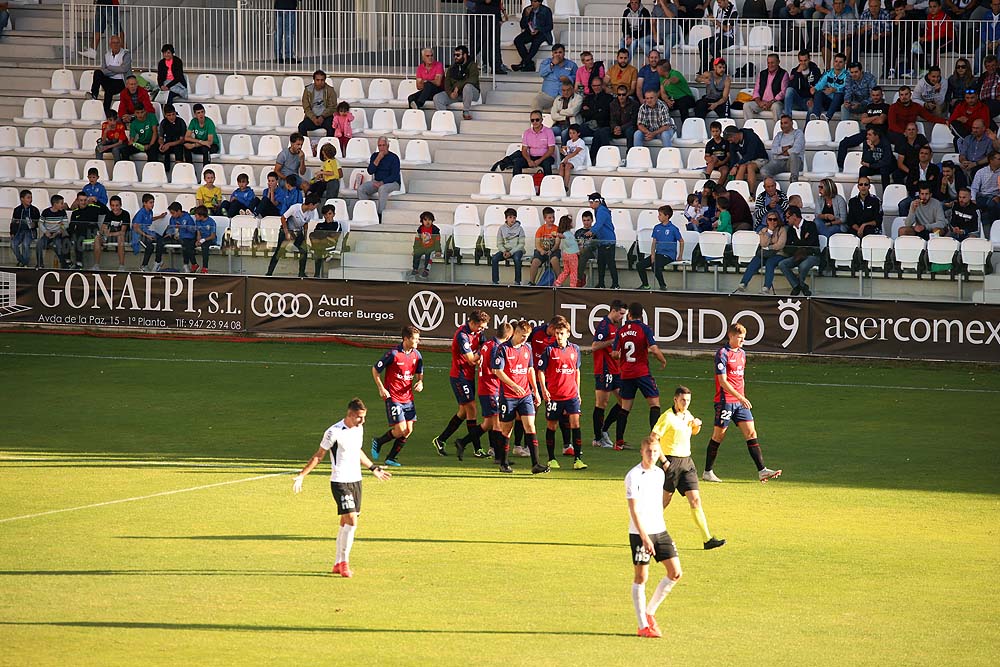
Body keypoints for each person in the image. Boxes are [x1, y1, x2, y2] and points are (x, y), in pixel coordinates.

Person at [291, 397, 391, 578]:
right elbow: (319, 455)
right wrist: (302, 475)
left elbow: (357, 450)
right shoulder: (333, 432)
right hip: (340, 482)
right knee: (352, 520)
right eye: (360, 417)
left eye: (364, 417)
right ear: (350, 414)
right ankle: (344, 563)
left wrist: (373, 468)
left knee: (345, 523)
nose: (363, 421)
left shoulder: (359, 429)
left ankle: (337, 562)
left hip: (356, 481)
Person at [649, 386, 726, 551]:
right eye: (683, 400)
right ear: (675, 399)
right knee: (664, 502)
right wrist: (663, 461)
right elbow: (653, 439)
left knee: (696, 500)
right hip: (671, 462)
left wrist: (697, 425)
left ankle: (707, 539)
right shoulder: (667, 417)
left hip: (687, 463)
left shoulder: (687, 415)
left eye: (688, 401)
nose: (686, 403)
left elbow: (692, 432)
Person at [703, 323, 782, 483]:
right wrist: (740, 397)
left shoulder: (742, 354)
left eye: (744, 339)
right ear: (731, 336)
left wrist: (742, 397)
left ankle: (762, 470)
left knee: (751, 433)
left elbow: (741, 378)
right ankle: (707, 472)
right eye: (739, 338)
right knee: (718, 436)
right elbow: (723, 381)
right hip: (725, 402)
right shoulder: (722, 354)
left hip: (740, 402)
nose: (742, 341)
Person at [625, 436, 682, 639]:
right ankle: (642, 626)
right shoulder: (633, 476)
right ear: (642, 452)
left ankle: (649, 613)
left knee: (675, 573)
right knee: (641, 577)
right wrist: (645, 537)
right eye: (649, 451)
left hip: (660, 530)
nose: (652, 455)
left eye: (656, 452)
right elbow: (634, 510)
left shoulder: (659, 473)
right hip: (641, 533)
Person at [491, 320, 548, 475]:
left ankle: (535, 464)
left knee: (530, 425)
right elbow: (497, 371)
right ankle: (503, 463)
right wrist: (513, 385)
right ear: (515, 333)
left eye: (527, 336)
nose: (524, 339)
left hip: (525, 395)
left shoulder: (527, 348)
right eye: (522, 336)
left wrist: (535, 390)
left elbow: (530, 369)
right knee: (507, 430)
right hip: (509, 396)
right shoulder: (503, 349)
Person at [433, 309, 490, 457]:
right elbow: (471, 359)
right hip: (459, 377)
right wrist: (483, 352)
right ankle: (477, 448)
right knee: (471, 408)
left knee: (464, 412)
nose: (482, 330)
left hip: (469, 376)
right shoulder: (462, 335)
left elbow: (482, 347)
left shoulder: (478, 333)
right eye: (481, 327)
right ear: (472, 323)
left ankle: (441, 439)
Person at [613, 301, 667, 449]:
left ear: (629, 314)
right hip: (642, 373)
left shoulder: (621, 330)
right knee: (654, 405)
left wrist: (620, 357)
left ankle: (618, 442)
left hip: (626, 374)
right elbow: (654, 349)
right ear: (641, 315)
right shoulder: (645, 329)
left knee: (625, 407)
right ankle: (655, 441)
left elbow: (614, 354)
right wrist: (663, 360)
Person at [369, 326, 424, 467]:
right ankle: (378, 441)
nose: (418, 341)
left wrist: (420, 382)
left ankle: (391, 458)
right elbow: (375, 369)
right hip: (393, 397)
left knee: (409, 430)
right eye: (415, 339)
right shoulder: (393, 354)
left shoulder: (417, 355)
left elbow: (419, 372)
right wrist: (381, 388)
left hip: (408, 398)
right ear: (406, 339)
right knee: (400, 429)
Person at [536, 320, 586, 470]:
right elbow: (541, 371)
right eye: (557, 333)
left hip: (571, 395)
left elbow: (576, 371)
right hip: (554, 396)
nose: (558, 336)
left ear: (568, 334)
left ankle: (578, 459)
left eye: (562, 333)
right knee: (552, 425)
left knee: (575, 424)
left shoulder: (575, 349)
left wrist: (578, 391)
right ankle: (552, 459)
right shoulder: (549, 350)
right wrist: (544, 390)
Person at [592, 299, 627, 449]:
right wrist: (612, 340)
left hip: (615, 369)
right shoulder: (604, 325)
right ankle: (598, 438)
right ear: (613, 311)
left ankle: (604, 429)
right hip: (604, 369)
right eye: (621, 314)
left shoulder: (614, 326)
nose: (622, 317)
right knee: (602, 404)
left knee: (624, 401)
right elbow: (594, 346)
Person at [476, 322, 513, 463]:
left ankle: (463, 442)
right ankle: (499, 457)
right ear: (509, 335)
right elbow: (495, 370)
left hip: (486, 387)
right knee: (497, 424)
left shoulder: (488, 343)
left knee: (488, 423)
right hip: (491, 388)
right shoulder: (497, 347)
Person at [265, 193, 320, 277]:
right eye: (315, 206)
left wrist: (305, 237)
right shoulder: (295, 208)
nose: (315, 208)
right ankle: (269, 273)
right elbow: (283, 218)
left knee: (304, 251)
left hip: (298, 232)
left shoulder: (310, 213)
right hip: (287, 230)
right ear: (311, 204)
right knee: (279, 252)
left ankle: (301, 273)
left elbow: (305, 224)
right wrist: (287, 233)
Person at [836, 85, 889, 169]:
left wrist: (870, 119)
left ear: (881, 95)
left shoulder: (886, 106)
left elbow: (881, 121)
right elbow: (863, 120)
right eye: (873, 95)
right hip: (866, 133)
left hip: (878, 133)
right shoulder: (868, 106)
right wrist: (876, 117)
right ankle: (840, 167)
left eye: (877, 95)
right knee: (843, 143)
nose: (875, 97)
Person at [733, 212, 787, 295]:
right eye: (770, 219)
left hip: (778, 254)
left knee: (770, 263)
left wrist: (769, 247)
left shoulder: (782, 229)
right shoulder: (763, 230)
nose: (772, 221)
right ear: (767, 221)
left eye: (774, 219)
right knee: (755, 261)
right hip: (765, 254)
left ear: (778, 220)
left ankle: (766, 287)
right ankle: (743, 283)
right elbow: (763, 243)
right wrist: (769, 232)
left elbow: (780, 244)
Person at [637, 205, 683, 290]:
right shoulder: (657, 227)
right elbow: (654, 242)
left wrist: (680, 255)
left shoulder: (673, 229)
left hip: (668, 255)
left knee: (655, 265)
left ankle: (663, 285)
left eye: (660, 215)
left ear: (667, 216)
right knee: (639, 265)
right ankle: (645, 285)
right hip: (658, 254)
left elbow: (681, 241)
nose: (658, 217)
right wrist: (652, 254)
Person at [778, 206, 820, 296]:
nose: (786, 220)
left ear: (794, 216)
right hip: (797, 256)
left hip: (811, 255)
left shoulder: (810, 225)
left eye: (788, 217)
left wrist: (797, 244)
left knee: (803, 265)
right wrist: (803, 242)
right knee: (782, 264)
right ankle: (799, 285)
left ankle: (798, 286)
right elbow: (787, 248)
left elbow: (812, 244)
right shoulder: (790, 230)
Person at [434, 45, 481, 120]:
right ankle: (445, 119)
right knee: (437, 98)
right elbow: (447, 82)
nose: (455, 57)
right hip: (457, 95)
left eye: (458, 55)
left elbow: (473, 80)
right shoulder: (452, 67)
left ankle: (466, 112)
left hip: (471, 94)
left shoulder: (472, 65)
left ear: (465, 55)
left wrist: (458, 87)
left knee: (467, 87)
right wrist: (450, 93)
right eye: (454, 55)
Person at [359, 136, 402, 219]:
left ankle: (380, 215)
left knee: (382, 188)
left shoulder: (394, 158)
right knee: (361, 189)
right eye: (379, 145)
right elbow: (370, 171)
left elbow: (394, 175)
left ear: (387, 146)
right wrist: (378, 159)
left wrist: (382, 182)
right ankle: (367, 211)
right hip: (377, 181)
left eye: (383, 145)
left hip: (392, 183)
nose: (381, 148)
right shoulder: (375, 156)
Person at [88, 35, 131, 117]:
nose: (115, 45)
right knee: (98, 72)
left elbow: (124, 69)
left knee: (109, 90)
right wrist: (117, 70)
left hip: (121, 81)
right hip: (109, 79)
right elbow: (103, 70)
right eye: (113, 43)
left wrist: (110, 68)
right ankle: (94, 94)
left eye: (117, 43)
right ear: (110, 44)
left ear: (120, 44)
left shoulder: (126, 54)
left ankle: (106, 113)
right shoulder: (106, 55)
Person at [897, 145, 942, 216]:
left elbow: (934, 185)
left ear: (930, 156)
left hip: (929, 196)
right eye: (921, 153)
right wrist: (926, 183)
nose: (923, 155)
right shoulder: (913, 167)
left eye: (926, 153)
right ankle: (906, 225)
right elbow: (909, 186)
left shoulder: (935, 168)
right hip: (915, 196)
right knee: (902, 205)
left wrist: (917, 183)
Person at [69, 191, 109, 269]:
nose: (83, 202)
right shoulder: (75, 212)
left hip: (92, 233)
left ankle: (95, 265)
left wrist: (97, 202)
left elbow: (106, 211)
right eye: (81, 200)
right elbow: (71, 226)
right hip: (80, 234)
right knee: (76, 236)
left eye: (85, 200)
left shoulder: (94, 208)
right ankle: (78, 263)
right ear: (77, 201)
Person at [724, 125, 768, 196]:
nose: (730, 142)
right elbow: (733, 157)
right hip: (747, 160)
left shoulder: (751, 137)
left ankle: (750, 193)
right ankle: (737, 193)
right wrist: (732, 168)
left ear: (735, 135)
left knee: (750, 167)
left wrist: (736, 165)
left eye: (730, 139)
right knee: (742, 167)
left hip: (760, 158)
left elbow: (750, 154)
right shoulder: (733, 143)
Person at [744, 54, 789, 122]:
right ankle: (749, 128)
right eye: (768, 63)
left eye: (772, 63)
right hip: (762, 102)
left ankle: (777, 130)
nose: (770, 65)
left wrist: (771, 102)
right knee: (747, 105)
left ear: (778, 62)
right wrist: (759, 102)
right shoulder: (762, 73)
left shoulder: (783, 74)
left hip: (775, 102)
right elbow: (756, 90)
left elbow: (783, 92)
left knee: (776, 107)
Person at [579, 78, 615, 162]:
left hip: (603, 125)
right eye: (594, 86)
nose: (596, 87)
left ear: (602, 86)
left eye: (598, 85)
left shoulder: (608, 98)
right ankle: (573, 157)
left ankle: (593, 159)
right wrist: (597, 111)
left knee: (599, 134)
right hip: (589, 125)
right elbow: (583, 113)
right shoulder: (588, 97)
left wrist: (590, 111)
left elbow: (605, 114)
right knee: (572, 131)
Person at [512, 0, 554, 72]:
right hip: (529, 32)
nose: (532, 4)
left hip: (543, 33)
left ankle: (524, 63)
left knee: (536, 41)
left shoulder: (546, 10)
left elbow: (550, 26)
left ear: (540, 2)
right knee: (518, 40)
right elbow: (522, 25)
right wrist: (526, 15)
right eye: (532, 1)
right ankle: (529, 64)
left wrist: (538, 30)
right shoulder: (527, 10)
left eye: (535, 2)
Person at [700, 0, 738, 76]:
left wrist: (716, 21)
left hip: (728, 37)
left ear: (725, 1)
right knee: (702, 43)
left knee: (713, 47)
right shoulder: (719, 10)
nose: (718, 4)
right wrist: (712, 20)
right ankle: (704, 69)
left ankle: (723, 69)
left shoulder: (734, 12)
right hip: (718, 35)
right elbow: (717, 26)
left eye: (720, 2)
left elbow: (727, 28)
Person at [762, 114, 805, 181]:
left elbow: (796, 149)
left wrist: (782, 152)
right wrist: (785, 148)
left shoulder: (798, 133)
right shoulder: (779, 135)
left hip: (794, 162)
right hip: (779, 162)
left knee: (793, 155)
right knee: (764, 171)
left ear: (791, 123)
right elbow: (773, 150)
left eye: (785, 123)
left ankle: (793, 182)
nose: (783, 126)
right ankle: (773, 187)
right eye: (781, 123)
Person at [589, 193, 619, 289]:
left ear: (597, 202)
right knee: (601, 263)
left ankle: (615, 284)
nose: (590, 205)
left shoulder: (601, 211)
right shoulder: (598, 210)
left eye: (591, 202)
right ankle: (601, 283)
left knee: (610, 263)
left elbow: (599, 224)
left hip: (608, 241)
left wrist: (591, 232)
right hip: (602, 241)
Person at [513, 111, 557, 176]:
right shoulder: (527, 132)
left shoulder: (548, 131)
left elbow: (551, 150)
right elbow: (524, 150)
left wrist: (540, 160)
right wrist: (529, 160)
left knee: (547, 163)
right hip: (531, 157)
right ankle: (516, 183)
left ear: (541, 120)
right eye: (532, 120)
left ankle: (548, 184)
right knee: (517, 162)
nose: (535, 122)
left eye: (537, 120)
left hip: (545, 157)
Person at [134, 193, 169, 272]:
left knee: (161, 240)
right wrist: (146, 236)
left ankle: (158, 261)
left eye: (153, 202)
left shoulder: (150, 211)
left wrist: (160, 216)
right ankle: (144, 265)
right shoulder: (141, 213)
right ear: (144, 203)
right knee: (150, 246)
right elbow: (136, 227)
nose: (152, 204)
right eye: (150, 202)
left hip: (147, 232)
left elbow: (150, 219)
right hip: (139, 234)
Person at [298, 70, 338, 137]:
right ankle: (305, 145)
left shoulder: (330, 90)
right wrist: (313, 118)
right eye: (318, 80)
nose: (320, 82)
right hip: (312, 117)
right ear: (314, 80)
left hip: (326, 117)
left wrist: (322, 116)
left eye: (322, 80)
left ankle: (328, 146)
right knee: (302, 126)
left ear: (325, 80)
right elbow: (306, 107)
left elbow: (332, 107)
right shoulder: (308, 90)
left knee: (332, 127)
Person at [94, 194, 129, 271]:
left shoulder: (126, 214)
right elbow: (103, 227)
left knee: (120, 238)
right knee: (97, 239)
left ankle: (121, 266)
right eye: (112, 205)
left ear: (120, 205)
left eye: (117, 205)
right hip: (110, 235)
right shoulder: (109, 214)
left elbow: (122, 232)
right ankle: (96, 265)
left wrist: (109, 234)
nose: (115, 208)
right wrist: (102, 233)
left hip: (124, 236)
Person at [491, 208, 526, 285]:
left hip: (517, 250)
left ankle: (517, 281)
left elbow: (521, 244)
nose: (512, 219)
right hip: (505, 250)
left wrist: (511, 252)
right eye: (510, 217)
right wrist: (504, 251)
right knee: (494, 258)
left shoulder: (520, 229)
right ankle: (495, 281)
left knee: (517, 259)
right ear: (506, 218)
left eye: (514, 217)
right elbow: (499, 243)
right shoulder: (501, 228)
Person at [810, 52, 848, 121]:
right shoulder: (828, 73)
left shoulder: (847, 75)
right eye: (836, 61)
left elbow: (846, 88)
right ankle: (815, 115)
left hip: (839, 102)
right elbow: (821, 84)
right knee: (818, 92)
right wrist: (814, 88)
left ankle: (827, 117)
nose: (837, 64)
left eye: (840, 62)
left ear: (845, 63)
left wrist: (835, 89)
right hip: (829, 101)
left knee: (838, 94)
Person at [916, 0, 953, 69]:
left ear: (940, 7)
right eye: (930, 7)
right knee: (917, 47)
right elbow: (927, 31)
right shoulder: (929, 17)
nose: (932, 9)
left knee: (936, 47)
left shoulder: (944, 17)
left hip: (947, 40)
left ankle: (935, 69)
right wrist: (923, 38)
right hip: (933, 39)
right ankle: (925, 69)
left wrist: (927, 39)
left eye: (934, 6)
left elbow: (942, 33)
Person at [528, 206, 561, 285]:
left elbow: (557, 243)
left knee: (554, 260)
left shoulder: (557, 229)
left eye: (553, 217)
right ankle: (532, 282)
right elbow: (537, 244)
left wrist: (551, 250)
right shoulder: (540, 229)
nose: (552, 219)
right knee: (535, 262)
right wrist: (541, 250)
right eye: (549, 218)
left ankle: (559, 282)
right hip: (541, 251)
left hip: (553, 251)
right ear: (545, 218)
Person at [37, 194, 71, 269]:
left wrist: (58, 231)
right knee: (39, 244)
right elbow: (40, 223)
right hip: (47, 234)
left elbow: (66, 225)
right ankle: (40, 264)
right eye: (61, 203)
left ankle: (63, 264)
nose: (63, 205)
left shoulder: (62, 213)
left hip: (58, 234)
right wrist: (46, 232)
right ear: (55, 204)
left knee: (58, 245)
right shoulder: (46, 212)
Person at [785, 50, 823, 115]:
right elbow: (792, 87)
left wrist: (812, 99)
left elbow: (817, 88)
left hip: (809, 100)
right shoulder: (795, 71)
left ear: (809, 59)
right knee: (789, 90)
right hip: (798, 100)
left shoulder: (815, 70)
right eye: (801, 61)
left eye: (805, 60)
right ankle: (788, 118)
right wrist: (797, 73)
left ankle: (807, 125)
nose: (803, 63)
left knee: (812, 107)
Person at [821, 0, 856, 69]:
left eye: (840, 3)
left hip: (844, 39)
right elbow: (825, 31)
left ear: (843, 5)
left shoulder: (850, 16)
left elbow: (851, 33)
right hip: (832, 40)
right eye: (836, 3)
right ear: (833, 5)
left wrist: (840, 38)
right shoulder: (829, 16)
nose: (838, 5)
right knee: (824, 41)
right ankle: (827, 69)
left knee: (850, 41)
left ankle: (843, 69)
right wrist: (830, 38)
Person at [310, 204, 342, 277]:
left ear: (334, 214)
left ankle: (317, 274)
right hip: (320, 246)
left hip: (330, 246)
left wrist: (324, 238)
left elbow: (334, 238)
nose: (327, 216)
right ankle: (317, 275)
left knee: (318, 249)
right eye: (325, 214)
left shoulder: (337, 224)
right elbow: (313, 236)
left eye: (329, 214)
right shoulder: (319, 225)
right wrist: (326, 237)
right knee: (313, 237)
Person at [9, 189, 39, 269]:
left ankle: (24, 263)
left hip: (30, 232)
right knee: (13, 244)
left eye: (31, 198)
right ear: (22, 199)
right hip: (19, 231)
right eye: (28, 198)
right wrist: (12, 233)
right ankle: (22, 261)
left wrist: (34, 224)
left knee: (25, 244)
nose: (30, 200)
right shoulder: (17, 210)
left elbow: (38, 222)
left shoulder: (34, 210)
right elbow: (13, 222)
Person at [972, 151, 1000, 231]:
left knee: (994, 204)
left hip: (996, 196)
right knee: (993, 204)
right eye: (999, 159)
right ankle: (992, 228)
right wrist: (973, 199)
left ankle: (992, 228)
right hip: (982, 196)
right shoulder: (981, 172)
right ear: (991, 160)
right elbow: (974, 188)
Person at [184, 103, 218, 168]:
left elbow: (209, 142)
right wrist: (200, 141)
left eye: (202, 112)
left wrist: (194, 145)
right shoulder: (193, 121)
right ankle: (190, 169)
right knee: (186, 146)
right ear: (195, 114)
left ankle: (205, 170)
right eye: (198, 113)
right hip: (201, 144)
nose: (201, 114)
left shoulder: (209, 122)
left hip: (213, 145)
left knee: (205, 148)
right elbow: (186, 137)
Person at [168, 201, 198, 273]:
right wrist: (170, 233)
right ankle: (158, 262)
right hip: (176, 237)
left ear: (178, 211)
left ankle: (187, 265)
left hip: (188, 237)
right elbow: (170, 229)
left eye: (173, 213)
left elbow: (193, 230)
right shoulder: (172, 219)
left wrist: (183, 227)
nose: (172, 215)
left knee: (186, 245)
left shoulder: (187, 218)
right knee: (161, 241)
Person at [620, 0, 654, 64]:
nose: (634, 5)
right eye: (632, 3)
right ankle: (621, 61)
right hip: (630, 35)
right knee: (621, 42)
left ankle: (625, 63)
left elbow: (646, 29)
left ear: (639, 3)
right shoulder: (626, 12)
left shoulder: (645, 12)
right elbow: (624, 26)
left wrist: (633, 38)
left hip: (640, 36)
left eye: (636, 3)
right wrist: (627, 36)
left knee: (633, 44)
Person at [411, 211, 441, 279]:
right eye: (425, 220)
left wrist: (438, 251)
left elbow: (437, 241)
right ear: (422, 221)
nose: (428, 222)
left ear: (432, 220)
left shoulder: (435, 230)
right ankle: (415, 269)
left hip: (431, 247)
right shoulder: (420, 229)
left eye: (430, 220)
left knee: (428, 254)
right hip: (422, 247)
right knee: (417, 254)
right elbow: (417, 241)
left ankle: (426, 270)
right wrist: (415, 250)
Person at [158, 104, 188, 172]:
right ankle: (165, 171)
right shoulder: (163, 123)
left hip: (178, 143)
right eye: (169, 115)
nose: (172, 117)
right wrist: (161, 145)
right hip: (168, 142)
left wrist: (169, 144)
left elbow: (182, 140)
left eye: (173, 114)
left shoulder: (181, 122)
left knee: (179, 148)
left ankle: (179, 170)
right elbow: (161, 138)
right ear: (165, 115)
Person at [553, 214, 580, 287]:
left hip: (565, 255)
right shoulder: (568, 234)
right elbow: (573, 244)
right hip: (572, 255)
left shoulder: (564, 233)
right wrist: (578, 251)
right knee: (574, 272)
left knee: (566, 271)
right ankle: (573, 286)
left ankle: (558, 282)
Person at [191, 205, 216, 274]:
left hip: (209, 239)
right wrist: (198, 240)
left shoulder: (211, 222)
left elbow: (213, 236)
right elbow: (198, 232)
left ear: (201, 216)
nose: (195, 217)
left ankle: (205, 268)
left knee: (204, 247)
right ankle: (194, 264)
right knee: (189, 245)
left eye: (196, 215)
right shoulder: (197, 221)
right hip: (202, 239)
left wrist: (203, 240)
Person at [274, 0, 299, 64]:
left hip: (278, 7)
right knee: (289, 33)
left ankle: (278, 57)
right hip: (289, 7)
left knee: (278, 33)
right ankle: (288, 57)